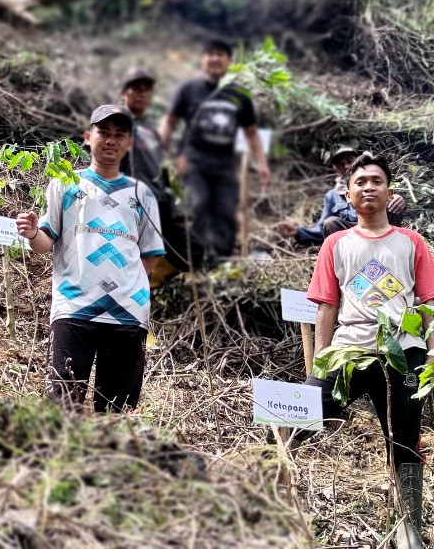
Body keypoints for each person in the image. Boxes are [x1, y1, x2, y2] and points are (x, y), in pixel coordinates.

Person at [304, 153, 434, 549]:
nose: (368, 187)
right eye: (360, 182)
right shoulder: (335, 243)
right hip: (349, 352)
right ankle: (278, 500)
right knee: (298, 413)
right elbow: (326, 306)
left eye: (376, 181)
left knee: (404, 440)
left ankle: (409, 526)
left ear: (389, 191)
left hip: (403, 353)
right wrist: (320, 360)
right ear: (348, 195)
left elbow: (431, 302)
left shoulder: (411, 242)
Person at [16, 105, 165, 413]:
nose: (111, 140)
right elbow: (45, 243)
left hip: (127, 315)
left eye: (119, 135)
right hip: (73, 308)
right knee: (62, 406)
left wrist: (129, 288)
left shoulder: (142, 194)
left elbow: (150, 256)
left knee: (116, 411)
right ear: (87, 137)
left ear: (129, 144)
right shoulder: (65, 184)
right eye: (104, 132)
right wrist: (32, 233)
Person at [158, 39, 270, 266]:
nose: (215, 59)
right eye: (210, 54)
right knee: (199, 205)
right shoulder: (189, 89)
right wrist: (158, 152)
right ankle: (197, 260)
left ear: (229, 60)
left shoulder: (239, 93)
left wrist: (262, 164)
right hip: (193, 160)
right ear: (203, 59)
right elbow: (170, 121)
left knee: (225, 210)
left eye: (220, 54)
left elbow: (251, 132)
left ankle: (221, 260)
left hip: (225, 162)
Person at [118, 66, 188, 271]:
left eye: (146, 90)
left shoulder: (150, 129)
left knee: (184, 249)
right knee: (136, 254)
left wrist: (172, 201)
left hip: (159, 202)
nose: (141, 94)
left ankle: (160, 277)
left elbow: (160, 167)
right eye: (136, 89)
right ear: (123, 93)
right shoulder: (117, 124)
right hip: (133, 203)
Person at [277, 146, 406, 244]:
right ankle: (343, 258)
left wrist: (399, 199)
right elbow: (322, 228)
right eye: (341, 164)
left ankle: (391, 247)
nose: (346, 166)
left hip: (379, 230)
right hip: (350, 239)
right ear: (337, 170)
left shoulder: (373, 178)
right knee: (330, 222)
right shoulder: (332, 196)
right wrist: (298, 232)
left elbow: (387, 196)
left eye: (349, 161)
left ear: (358, 160)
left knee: (392, 205)